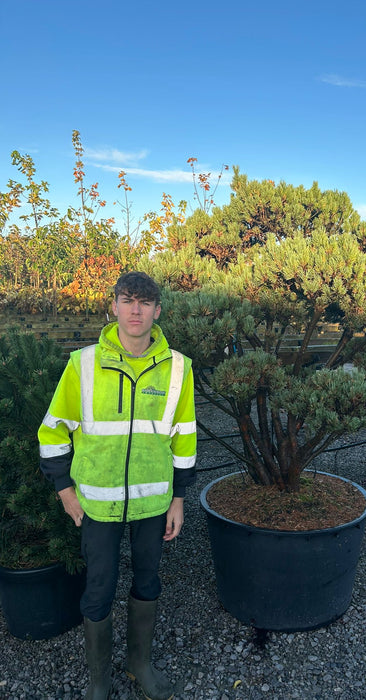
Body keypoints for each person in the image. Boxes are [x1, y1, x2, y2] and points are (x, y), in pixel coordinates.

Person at [38, 271, 197, 700]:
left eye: (145, 302)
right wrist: (66, 492)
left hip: (154, 501)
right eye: (127, 300)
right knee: (99, 587)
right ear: (113, 305)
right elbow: (53, 433)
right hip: (97, 505)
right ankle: (98, 680)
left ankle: (139, 664)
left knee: (148, 581)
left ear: (158, 310)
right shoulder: (83, 364)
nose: (135, 310)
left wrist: (178, 498)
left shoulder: (179, 368)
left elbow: (184, 436)